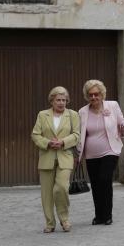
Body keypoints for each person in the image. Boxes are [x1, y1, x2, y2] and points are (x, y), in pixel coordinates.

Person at [77, 80, 124, 226]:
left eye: (96, 94)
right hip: (91, 154)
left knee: (105, 179)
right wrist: (77, 154)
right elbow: (80, 134)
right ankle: (98, 215)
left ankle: (107, 215)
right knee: (96, 183)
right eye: (90, 95)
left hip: (110, 150)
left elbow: (122, 121)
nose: (93, 97)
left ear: (102, 94)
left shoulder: (112, 105)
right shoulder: (82, 112)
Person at [31, 87, 81, 233]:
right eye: (58, 100)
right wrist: (47, 143)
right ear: (52, 100)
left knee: (61, 188)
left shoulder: (73, 115)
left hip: (65, 156)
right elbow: (35, 135)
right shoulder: (42, 115)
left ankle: (64, 219)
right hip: (47, 157)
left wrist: (63, 142)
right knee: (46, 194)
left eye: (64, 100)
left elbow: (77, 135)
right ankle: (50, 223)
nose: (61, 103)